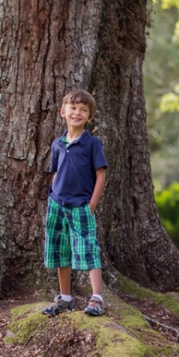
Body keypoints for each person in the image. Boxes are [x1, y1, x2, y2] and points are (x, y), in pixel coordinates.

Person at [41, 89, 108, 317]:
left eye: (83, 109)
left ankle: (97, 298)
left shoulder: (92, 144)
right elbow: (56, 172)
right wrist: (53, 197)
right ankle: (66, 298)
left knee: (88, 249)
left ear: (89, 117)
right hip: (57, 204)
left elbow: (101, 175)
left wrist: (91, 205)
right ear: (63, 112)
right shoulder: (57, 144)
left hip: (81, 205)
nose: (77, 112)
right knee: (61, 251)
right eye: (73, 107)